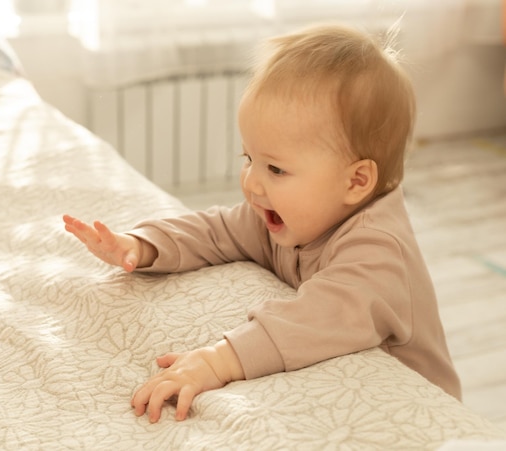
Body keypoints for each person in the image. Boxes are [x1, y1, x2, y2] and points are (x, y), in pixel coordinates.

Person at [63, 23, 461, 423]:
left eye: (275, 169)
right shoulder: (289, 217)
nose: (251, 181)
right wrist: (142, 245)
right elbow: (216, 230)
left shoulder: (379, 253)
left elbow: (312, 319)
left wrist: (216, 361)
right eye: (249, 158)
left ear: (355, 182)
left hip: (420, 419)